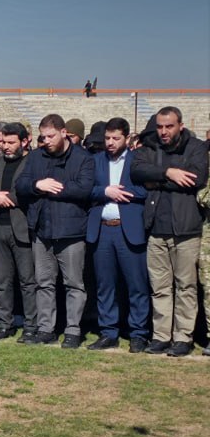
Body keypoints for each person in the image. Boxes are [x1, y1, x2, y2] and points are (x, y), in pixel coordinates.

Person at [131, 106, 207, 356]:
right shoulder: (150, 147)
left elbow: (195, 179)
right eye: (160, 126)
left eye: (169, 126)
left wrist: (156, 181)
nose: (163, 131)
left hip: (186, 229)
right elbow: (136, 171)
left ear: (180, 126)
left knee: (186, 286)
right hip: (156, 228)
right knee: (160, 287)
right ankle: (161, 336)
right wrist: (168, 172)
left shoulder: (196, 147)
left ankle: (183, 337)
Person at [16, 114, 96, 347]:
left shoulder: (83, 158)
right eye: (43, 137)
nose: (47, 141)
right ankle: (45, 329)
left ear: (64, 133)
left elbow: (84, 189)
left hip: (71, 231)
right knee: (44, 283)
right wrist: (37, 185)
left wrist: (53, 188)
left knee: (74, 284)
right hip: (42, 230)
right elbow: (21, 185)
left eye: (51, 136)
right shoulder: (36, 157)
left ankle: (73, 330)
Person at [86, 118, 149, 352]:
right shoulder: (95, 160)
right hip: (102, 229)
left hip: (129, 229)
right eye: (107, 138)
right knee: (105, 285)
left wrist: (123, 193)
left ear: (127, 138)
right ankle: (108, 332)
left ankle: (138, 333)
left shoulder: (137, 160)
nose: (110, 143)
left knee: (136, 285)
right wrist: (105, 191)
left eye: (116, 138)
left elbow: (147, 188)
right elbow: (85, 188)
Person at [0, 122, 37, 341]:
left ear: (24, 142)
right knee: (2, 280)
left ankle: (31, 325)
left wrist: (6, 198)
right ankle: (4, 324)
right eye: (3, 142)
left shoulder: (32, 162)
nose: (5, 146)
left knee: (27, 281)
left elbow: (31, 190)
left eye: (10, 142)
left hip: (22, 228)